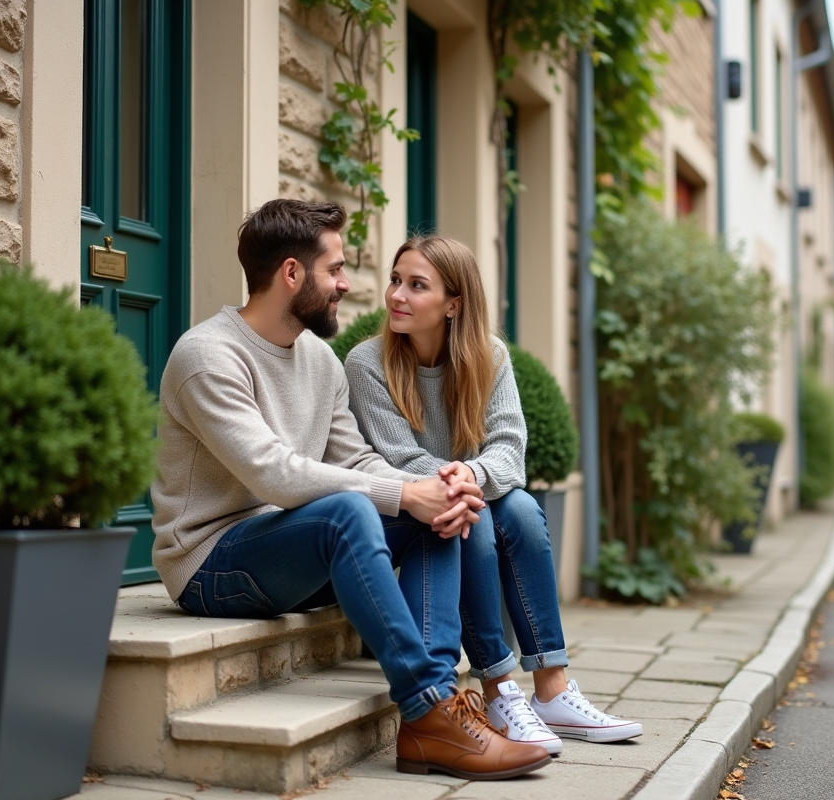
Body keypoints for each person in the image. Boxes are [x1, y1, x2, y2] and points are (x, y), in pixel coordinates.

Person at [149, 200, 551, 780]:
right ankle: (428, 706)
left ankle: (433, 716)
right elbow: (275, 474)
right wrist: (405, 493)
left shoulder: (318, 358)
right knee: (351, 513)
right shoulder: (208, 356)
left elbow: (355, 458)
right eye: (334, 270)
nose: (347, 284)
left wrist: (429, 489)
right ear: (292, 274)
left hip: (290, 548)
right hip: (211, 563)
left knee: (429, 511)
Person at [345, 235, 643, 754]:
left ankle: (552, 687)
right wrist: (460, 485)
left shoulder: (490, 356)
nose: (397, 295)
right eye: (396, 280)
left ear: (454, 304)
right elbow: (397, 457)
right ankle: (498, 687)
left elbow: (510, 447)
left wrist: (470, 477)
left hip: (470, 489)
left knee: (524, 509)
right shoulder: (368, 363)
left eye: (417, 285)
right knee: (474, 519)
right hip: (413, 507)